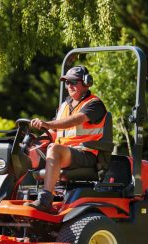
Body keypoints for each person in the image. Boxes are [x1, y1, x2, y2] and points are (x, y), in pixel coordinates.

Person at [24, 65, 107, 212]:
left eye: (73, 82)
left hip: (86, 154)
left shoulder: (95, 104)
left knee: (53, 148)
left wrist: (46, 123)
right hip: (65, 153)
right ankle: (14, 196)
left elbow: (76, 120)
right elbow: (54, 131)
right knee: (27, 150)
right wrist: (34, 143)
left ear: (86, 83)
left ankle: (45, 201)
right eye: (67, 82)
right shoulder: (64, 106)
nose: (69, 86)